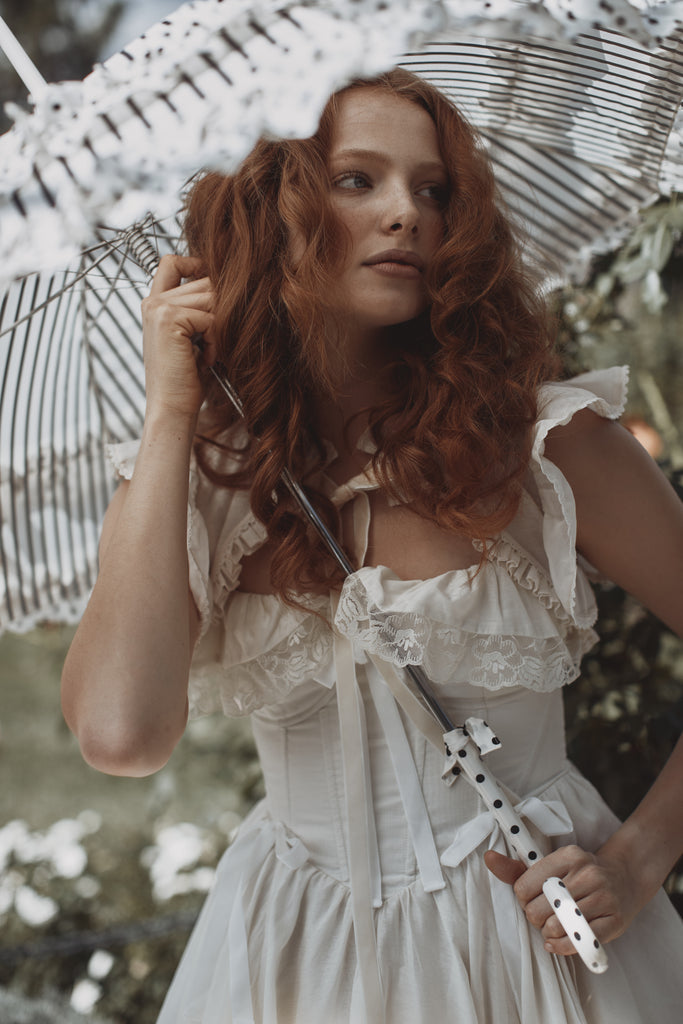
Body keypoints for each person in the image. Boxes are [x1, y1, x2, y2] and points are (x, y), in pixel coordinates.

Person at [61, 68, 683, 1023]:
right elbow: (120, 735)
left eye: (432, 190)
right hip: (294, 957)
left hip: (533, 945)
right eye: (357, 179)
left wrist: (638, 860)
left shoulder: (543, 444)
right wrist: (169, 415)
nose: (407, 213)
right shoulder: (194, 475)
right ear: (272, 215)